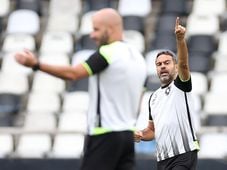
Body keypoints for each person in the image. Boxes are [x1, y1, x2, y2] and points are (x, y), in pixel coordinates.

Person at [15, 8, 147, 170]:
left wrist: (36, 64)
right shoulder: (137, 56)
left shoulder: (108, 52)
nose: (92, 35)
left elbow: (73, 74)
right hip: (128, 135)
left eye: (96, 29)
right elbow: (140, 97)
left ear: (110, 29)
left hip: (104, 134)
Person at [134, 17, 200, 170]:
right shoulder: (153, 97)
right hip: (162, 159)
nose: (162, 66)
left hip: (184, 153)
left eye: (167, 63)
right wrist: (141, 135)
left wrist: (180, 40)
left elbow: (184, 64)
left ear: (175, 67)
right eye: (158, 64)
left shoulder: (181, 85)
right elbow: (152, 130)